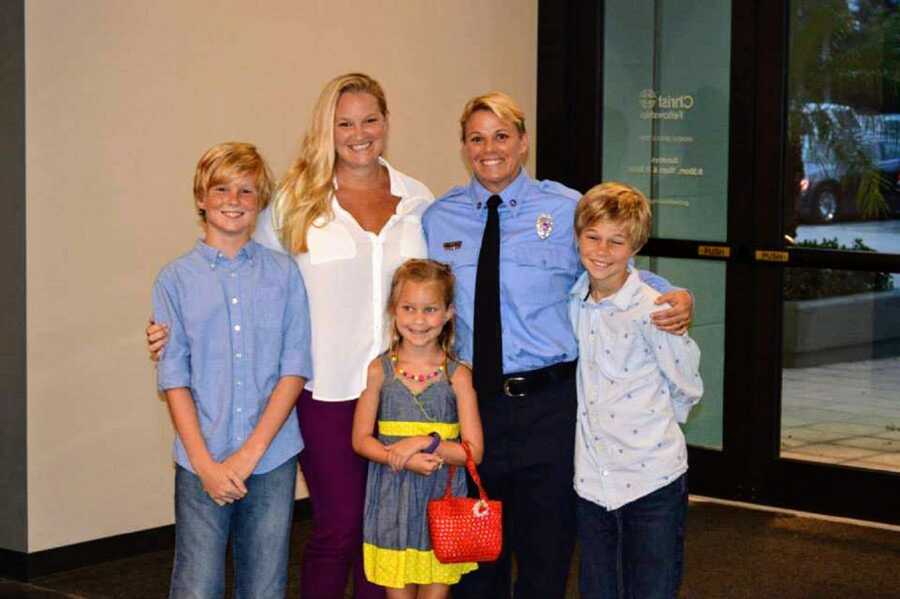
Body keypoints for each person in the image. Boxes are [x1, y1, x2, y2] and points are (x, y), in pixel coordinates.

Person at [148, 73, 433, 599]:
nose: (358, 133)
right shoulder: (297, 201)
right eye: (343, 122)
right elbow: (238, 270)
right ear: (326, 128)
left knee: (385, 536)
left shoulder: (418, 200)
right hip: (324, 392)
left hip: (403, 392)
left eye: (370, 119)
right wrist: (173, 329)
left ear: (387, 123)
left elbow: (436, 288)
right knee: (339, 526)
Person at [421, 92, 695, 599]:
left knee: (546, 552)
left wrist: (672, 294)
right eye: (477, 138)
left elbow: (613, 266)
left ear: (523, 142)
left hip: (549, 407)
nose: (490, 149)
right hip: (473, 405)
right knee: (476, 558)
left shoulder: (565, 208)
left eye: (502, 135)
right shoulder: (439, 219)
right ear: (463, 146)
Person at [151, 142, 313, 598]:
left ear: (260, 202)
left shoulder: (284, 274)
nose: (233, 200)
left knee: (264, 585)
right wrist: (205, 464)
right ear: (200, 198)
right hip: (200, 458)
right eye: (221, 188)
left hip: (272, 457)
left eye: (246, 191)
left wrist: (248, 456)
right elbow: (173, 377)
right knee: (196, 585)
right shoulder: (174, 280)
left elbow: (294, 368)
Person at [569, 182, 703, 598]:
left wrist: (647, 429)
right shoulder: (573, 302)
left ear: (635, 247)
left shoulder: (655, 310)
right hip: (593, 481)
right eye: (592, 237)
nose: (602, 251)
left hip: (651, 479)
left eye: (616, 241)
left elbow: (686, 387)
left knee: (651, 589)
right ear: (577, 238)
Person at [352, 259, 484, 599]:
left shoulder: (458, 375)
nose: (419, 319)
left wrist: (426, 442)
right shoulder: (379, 370)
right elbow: (361, 440)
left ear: (449, 313)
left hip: (442, 502)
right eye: (408, 308)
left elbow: (473, 452)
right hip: (391, 501)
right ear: (394, 310)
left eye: (430, 309)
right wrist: (403, 458)